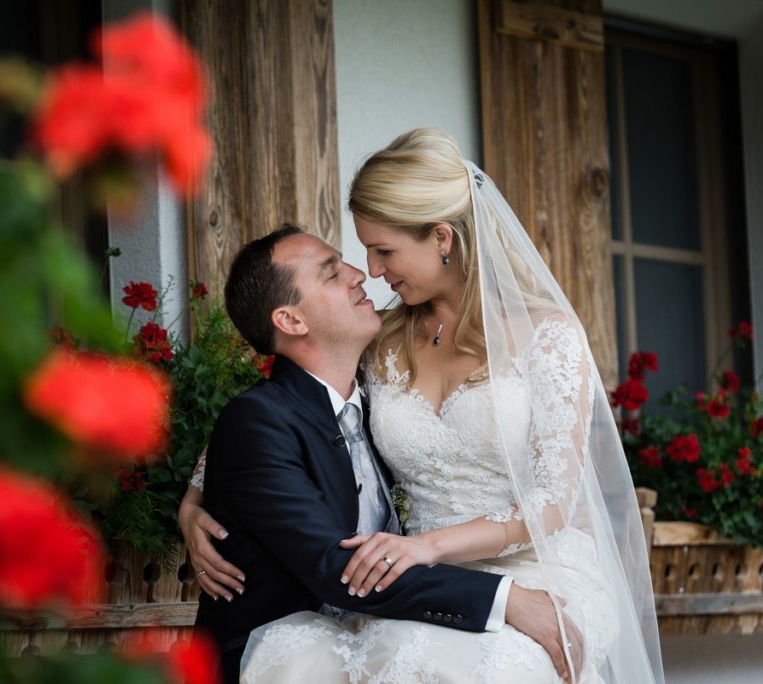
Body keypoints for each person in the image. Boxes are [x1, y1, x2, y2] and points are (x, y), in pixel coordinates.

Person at [182, 130, 664, 683]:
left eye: (384, 250)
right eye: (363, 252)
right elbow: (276, 412)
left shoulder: (547, 337)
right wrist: (194, 504)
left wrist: (429, 547)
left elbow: (553, 500)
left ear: (441, 238)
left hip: (536, 565)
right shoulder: (379, 339)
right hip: (414, 575)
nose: (372, 269)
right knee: (388, 655)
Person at [187, 223, 582, 684]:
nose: (360, 273)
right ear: (291, 321)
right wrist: (505, 599)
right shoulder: (257, 422)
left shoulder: (381, 397)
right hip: (282, 647)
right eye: (331, 273)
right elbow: (338, 569)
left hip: (384, 622)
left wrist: (193, 497)